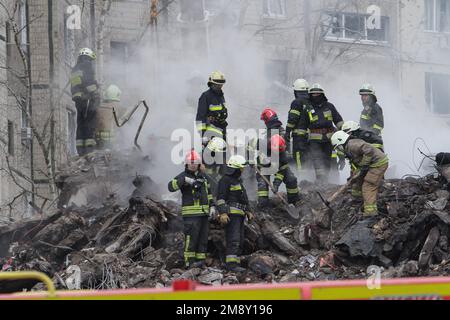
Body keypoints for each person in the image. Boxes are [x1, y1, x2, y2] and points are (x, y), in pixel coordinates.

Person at [168, 150, 216, 268]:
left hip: (204, 215)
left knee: (203, 239)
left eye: (195, 163)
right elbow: (170, 187)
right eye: (191, 163)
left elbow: (209, 193)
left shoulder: (203, 177)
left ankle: (200, 262)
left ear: (199, 164)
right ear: (186, 164)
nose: (193, 165)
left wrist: (212, 206)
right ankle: (189, 262)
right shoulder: (183, 176)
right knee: (191, 239)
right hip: (191, 216)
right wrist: (183, 181)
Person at [250, 108, 300, 208]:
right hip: (264, 164)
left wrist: (276, 184)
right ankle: (263, 206)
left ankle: (294, 202)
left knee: (291, 179)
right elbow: (250, 145)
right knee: (263, 185)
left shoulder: (281, 150)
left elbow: (282, 169)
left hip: (279, 164)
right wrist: (250, 160)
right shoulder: (264, 142)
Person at [331, 131, 389, 218]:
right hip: (370, 164)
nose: (338, 150)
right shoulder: (348, 147)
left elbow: (368, 150)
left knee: (368, 186)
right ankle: (358, 201)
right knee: (357, 181)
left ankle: (370, 213)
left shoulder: (353, 145)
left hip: (378, 164)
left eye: (337, 147)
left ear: (341, 141)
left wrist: (365, 164)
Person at [297, 83, 345, 183]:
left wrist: (345, 132)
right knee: (317, 159)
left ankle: (327, 180)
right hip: (314, 141)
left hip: (329, 140)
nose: (315, 96)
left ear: (322, 94)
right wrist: (300, 142)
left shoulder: (330, 107)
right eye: (313, 94)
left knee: (328, 160)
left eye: (317, 94)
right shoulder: (307, 109)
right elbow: (302, 126)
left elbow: (338, 121)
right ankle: (320, 180)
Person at [216, 155, 253, 272]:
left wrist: (249, 211)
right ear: (236, 169)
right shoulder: (225, 180)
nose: (243, 170)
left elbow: (243, 198)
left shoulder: (238, 182)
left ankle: (236, 263)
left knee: (240, 240)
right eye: (241, 168)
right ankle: (231, 265)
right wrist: (223, 213)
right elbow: (220, 198)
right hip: (231, 215)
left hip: (240, 215)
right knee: (234, 239)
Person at [70, 48, 100, 156]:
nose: (92, 62)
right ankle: (89, 149)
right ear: (89, 57)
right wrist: (96, 92)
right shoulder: (87, 65)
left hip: (78, 100)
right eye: (91, 59)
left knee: (81, 123)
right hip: (87, 98)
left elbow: (75, 85)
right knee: (89, 123)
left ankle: (81, 150)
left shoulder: (75, 68)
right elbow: (88, 83)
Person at [196, 71, 228, 146]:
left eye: (221, 84)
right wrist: (203, 135)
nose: (220, 86)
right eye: (217, 84)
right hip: (209, 134)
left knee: (224, 155)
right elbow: (200, 118)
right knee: (210, 156)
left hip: (222, 132)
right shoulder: (205, 96)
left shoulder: (221, 96)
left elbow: (223, 113)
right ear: (212, 84)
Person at [286, 79, 310, 170]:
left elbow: (292, 119)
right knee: (309, 158)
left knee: (299, 157)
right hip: (311, 137)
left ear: (296, 91)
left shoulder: (296, 102)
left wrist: (287, 132)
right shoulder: (311, 102)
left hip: (299, 138)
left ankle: (302, 178)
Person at [96, 85, 122, 150]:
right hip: (110, 142)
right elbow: (118, 124)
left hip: (98, 139)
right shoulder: (114, 107)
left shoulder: (99, 107)